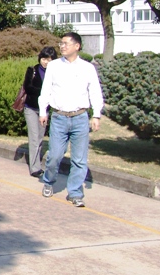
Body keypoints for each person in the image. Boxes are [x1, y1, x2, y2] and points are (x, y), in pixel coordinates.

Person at [38, 32, 104, 208]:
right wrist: (43, 111)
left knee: (79, 159)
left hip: (80, 118)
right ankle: (48, 181)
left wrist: (96, 114)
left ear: (77, 46)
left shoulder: (87, 68)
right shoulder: (54, 66)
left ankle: (75, 192)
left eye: (66, 43)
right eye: (61, 43)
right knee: (55, 156)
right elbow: (46, 90)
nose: (62, 46)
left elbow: (95, 92)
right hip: (59, 117)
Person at [22, 46, 59, 177]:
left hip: (45, 110)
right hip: (31, 108)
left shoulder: (56, 73)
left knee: (39, 138)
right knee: (33, 137)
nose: (46, 62)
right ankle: (35, 168)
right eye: (44, 59)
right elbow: (27, 87)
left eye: (49, 59)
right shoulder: (32, 70)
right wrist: (44, 92)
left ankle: (37, 162)